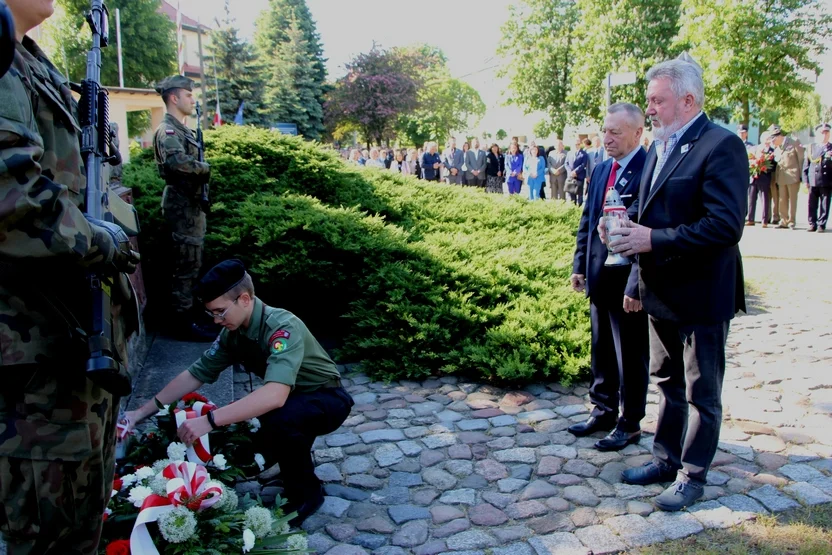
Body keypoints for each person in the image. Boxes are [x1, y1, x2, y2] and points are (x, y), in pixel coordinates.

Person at [0, 1, 139, 552]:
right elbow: (12, 198)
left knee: (80, 526)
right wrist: (101, 240)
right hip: (35, 357)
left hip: (71, 344)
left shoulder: (29, 61)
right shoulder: (4, 64)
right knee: (51, 540)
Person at [607, 56, 747, 511]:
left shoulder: (721, 145)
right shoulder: (659, 146)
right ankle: (666, 459)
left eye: (657, 101)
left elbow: (726, 226)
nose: (649, 110)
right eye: (648, 101)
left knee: (701, 391)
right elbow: (647, 222)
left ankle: (693, 475)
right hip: (659, 290)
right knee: (665, 381)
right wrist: (631, 266)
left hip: (703, 293)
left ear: (687, 100)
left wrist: (653, 238)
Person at [123, 260, 354, 527]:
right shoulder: (232, 332)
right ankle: (292, 467)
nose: (216, 320)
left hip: (327, 398)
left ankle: (306, 494)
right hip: (295, 398)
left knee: (282, 418)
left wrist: (208, 421)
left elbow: (274, 396)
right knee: (261, 424)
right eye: (212, 313)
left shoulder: (281, 327)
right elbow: (195, 374)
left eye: (220, 312)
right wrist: (139, 413)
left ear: (244, 299)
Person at [570, 103, 650, 451]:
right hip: (600, 275)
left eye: (615, 132)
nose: (607, 138)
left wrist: (636, 284)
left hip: (628, 280)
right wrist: (579, 265)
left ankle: (629, 422)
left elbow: (648, 229)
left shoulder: (650, 169)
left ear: (637, 133)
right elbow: (588, 221)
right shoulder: (602, 169)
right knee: (601, 348)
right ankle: (602, 409)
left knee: (630, 354)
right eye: (605, 130)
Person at [153, 74, 216, 340]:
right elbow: (176, 163)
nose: (192, 99)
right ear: (174, 98)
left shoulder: (182, 130)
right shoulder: (167, 131)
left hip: (191, 208)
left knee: (193, 263)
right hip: (181, 208)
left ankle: (190, 315)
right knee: (184, 267)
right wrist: (205, 168)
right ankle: (182, 323)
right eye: (188, 95)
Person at [770, 124, 804, 229]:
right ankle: (783, 220)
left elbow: (801, 159)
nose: (773, 141)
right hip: (782, 176)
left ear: (779, 136)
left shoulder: (794, 142)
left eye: (774, 139)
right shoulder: (778, 147)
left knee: (792, 199)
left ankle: (791, 221)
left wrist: (802, 175)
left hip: (793, 175)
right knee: (782, 198)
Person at [804, 123, 832, 232]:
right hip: (813, 180)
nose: (824, 135)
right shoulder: (811, 147)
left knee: (825, 204)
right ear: (817, 134)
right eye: (822, 133)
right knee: (811, 204)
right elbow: (806, 165)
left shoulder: (831, 148)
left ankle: (821, 224)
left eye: (826, 132)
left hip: (827, 180)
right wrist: (805, 179)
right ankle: (812, 223)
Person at [746, 132, 776, 227]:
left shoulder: (772, 151)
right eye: (766, 139)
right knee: (751, 198)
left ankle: (764, 220)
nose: (768, 141)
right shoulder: (754, 148)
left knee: (764, 199)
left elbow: (773, 166)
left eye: (769, 139)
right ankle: (750, 219)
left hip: (764, 177)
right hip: (754, 177)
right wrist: (753, 163)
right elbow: (749, 160)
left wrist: (764, 167)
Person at [565, 138, 589, 205]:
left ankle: (579, 207)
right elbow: (566, 163)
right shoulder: (569, 153)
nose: (577, 145)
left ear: (580, 144)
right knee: (572, 193)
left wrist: (575, 172)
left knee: (579, 193)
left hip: (579, 176)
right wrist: (571, 172)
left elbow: (583, 164)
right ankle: (573, 206)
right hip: (571, 176)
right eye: (575, 144)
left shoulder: (584, 154)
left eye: (578, 144)